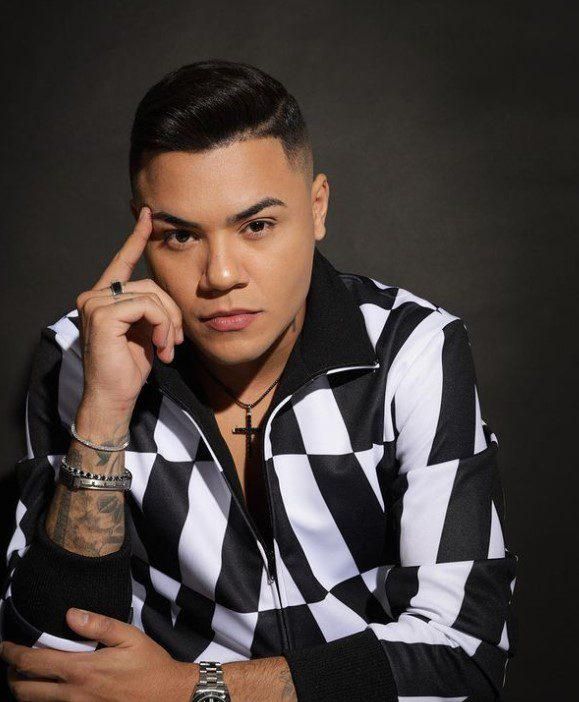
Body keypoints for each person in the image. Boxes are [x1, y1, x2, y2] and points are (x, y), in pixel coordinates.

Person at [0, 59, 517, 701]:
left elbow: (465, 655)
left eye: (257, 226)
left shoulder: (410, 350)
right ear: (140, 228)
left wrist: (194, 690)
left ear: (317, 207)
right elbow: (50, 667)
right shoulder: (84, 355)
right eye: (180, 235)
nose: (220, 275)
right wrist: (104, 413)